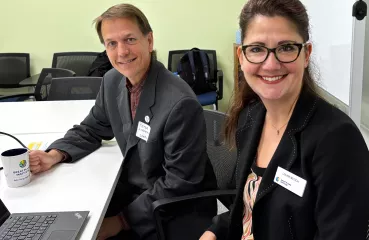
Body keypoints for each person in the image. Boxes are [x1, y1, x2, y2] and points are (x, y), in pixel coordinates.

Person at [29, 3, 216, 240]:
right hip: (137, 194)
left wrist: (121, 221)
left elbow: (178, 182)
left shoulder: (179, 102)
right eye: (112, 43)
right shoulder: (112, 81)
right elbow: (90, 129)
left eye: (129, 39)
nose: (122, 52)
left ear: (149, 41)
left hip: (173, 210)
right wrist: (54, 155)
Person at [200, 0, 369, 239]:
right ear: (242, 55)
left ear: (306, 54)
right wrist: (215, 230)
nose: (270, 64)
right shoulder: (250, 117)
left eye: (287, 47)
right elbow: (249, 205)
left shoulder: (337, 140)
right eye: (257, 49)